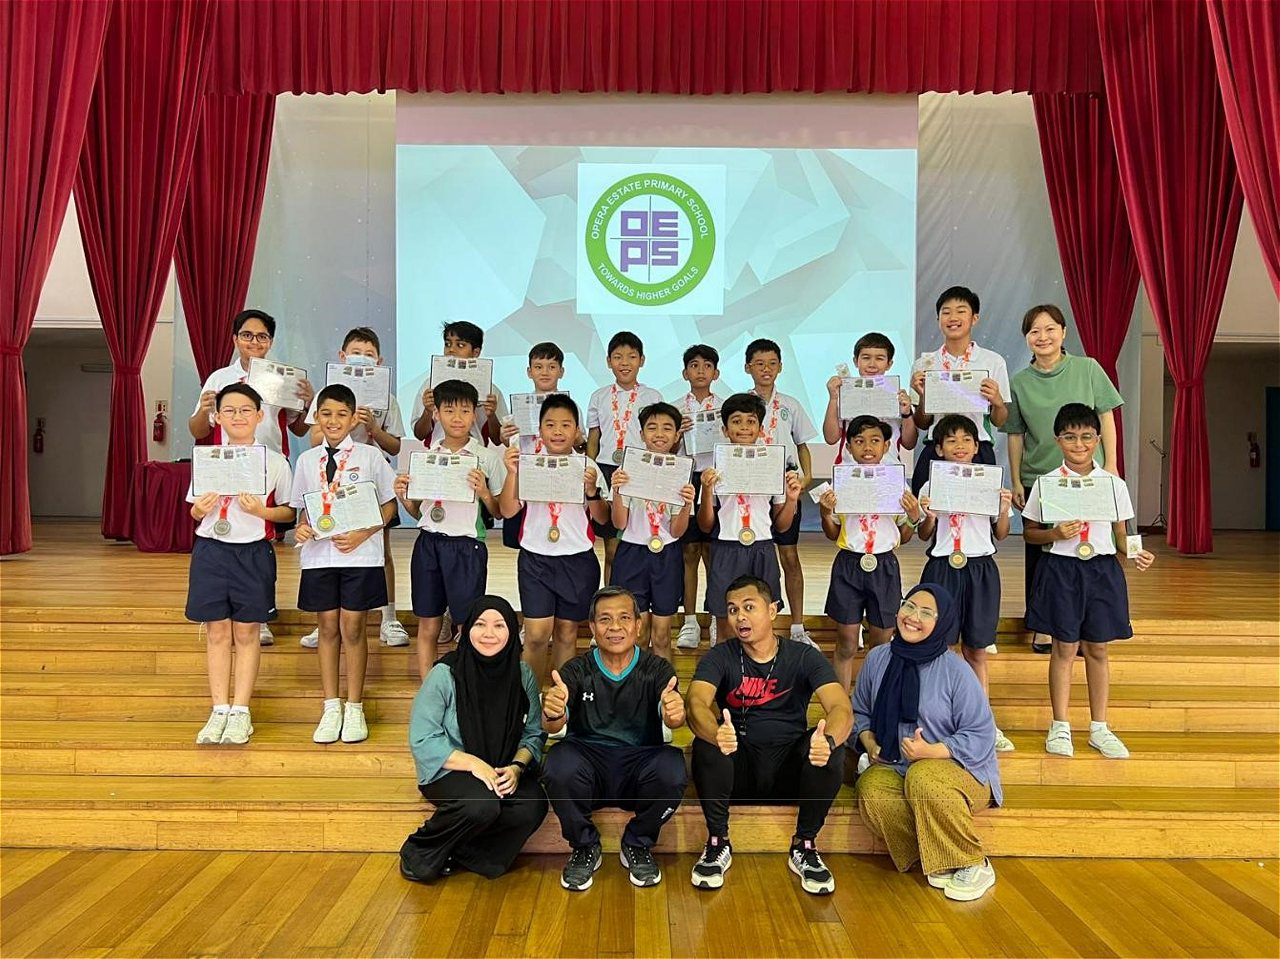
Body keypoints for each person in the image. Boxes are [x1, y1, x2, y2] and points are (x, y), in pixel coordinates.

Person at [686, 576, 851, 895]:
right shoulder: (720, 656)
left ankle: (805, 845)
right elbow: (695, 703)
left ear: (773, 610)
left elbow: (840, 707)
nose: (740, 617)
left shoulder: (803, 656)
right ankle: (717, 842)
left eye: (749, 607)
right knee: (707, 744)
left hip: (789, 771)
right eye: (732, 610)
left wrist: (828, 741)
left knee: (829, 748)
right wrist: (717, 734)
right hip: (739, 768)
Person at [1021, 403, 1155, 760]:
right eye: (1070, 437)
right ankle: (1060, 726)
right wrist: (1054, 533)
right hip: (1061, 570)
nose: (1078, 444)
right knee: (1064, 648)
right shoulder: (1047, 483)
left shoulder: (1113, 484)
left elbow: (1121, 534)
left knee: (1098, 648)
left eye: (1086, 436)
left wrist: (1136, 552)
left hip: (1101, 570)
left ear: (1097, 439)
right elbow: (1030, 533)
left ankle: (1099, 727)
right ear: (1057, 440)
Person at [853, 584, 1002, 902]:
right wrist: (869, 742)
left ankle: (973, 862)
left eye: (926, 613)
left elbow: (981, 734)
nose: (913, 617)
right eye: (909, 606)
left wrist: (932, 751)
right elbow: (860, 712)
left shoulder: (956, 670)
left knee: (923, 776)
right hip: (897, 766)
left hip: (963, 772)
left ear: (942, 622)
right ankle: (935, 857)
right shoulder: (878, 658)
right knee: (872, 789)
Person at [541, 587, 688, 890]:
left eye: (624, 618)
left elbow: (674, 718)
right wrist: (553, 710)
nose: (615, 627)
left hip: (639, 765)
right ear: (593, 627)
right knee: (557, 763)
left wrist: (674, 712)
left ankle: (637, 842)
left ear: (638, 625)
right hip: (588, 765)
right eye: (605, 619)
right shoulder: (577, 669)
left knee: (673, 767)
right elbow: (552, 725)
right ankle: (584, 846)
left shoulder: (656, 669)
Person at [1002, 305, 1124, 654]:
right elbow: (1015, 434)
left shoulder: (1088, 368)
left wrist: (1111, 464)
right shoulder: (1019, 382)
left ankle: (1090, 628)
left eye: (1050, 329)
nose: (1043, 337)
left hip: (1087, 477)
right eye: (1034, 331)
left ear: (1064, 332)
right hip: (1041, 477)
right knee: (1041, 554)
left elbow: (1106, 416)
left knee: (1090, 550)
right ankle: (1043, 627)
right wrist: (1017, 480)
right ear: (1027, 338)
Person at [401, 596, 548, 883]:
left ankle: (462, 853)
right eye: (480, 624)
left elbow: (533, 732)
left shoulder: (522, 675)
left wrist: (517, 768)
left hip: (501, 767)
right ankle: (419, 851)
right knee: (482, 803)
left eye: (499, 625)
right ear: (467, 629)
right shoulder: (444, 674)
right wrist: (473, 764)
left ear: (512, 632)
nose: (489, 633)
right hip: (450, 769)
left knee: (532, 805)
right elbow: (423, 738)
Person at [188, 308, 313, 645]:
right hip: (228, 464)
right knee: (230, 530)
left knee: (262, 538)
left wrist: (307, 404)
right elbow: (197, 430)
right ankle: (230, 613)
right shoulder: (219, 379)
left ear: (270, 341)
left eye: (262, 336)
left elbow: (299, 429)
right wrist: (205, 409)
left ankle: (258, 615)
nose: (254, 342)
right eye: (247, 335)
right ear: (235, 339)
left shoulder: (283, 378)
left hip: (269, 464)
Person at [185, 383, 295, 746]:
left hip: (253, 553)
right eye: (229, 410)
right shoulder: (207, 458)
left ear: (260, 416)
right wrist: (199, 510)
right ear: (217, 417)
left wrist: (262, 511)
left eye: (245, 410)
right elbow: (194, 511)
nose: (238, 416)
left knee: (247, 633)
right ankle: (219, 709)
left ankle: (241, 711)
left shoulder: (274, 462)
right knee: (216, 632)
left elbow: (289, 513)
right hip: (211, 551)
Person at [290, 384, 399, 744]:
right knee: (326, 627)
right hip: (319, 556)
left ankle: (354, 706)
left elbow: (389, 507)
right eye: (326, 414)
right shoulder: (307, 461)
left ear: (354, 419)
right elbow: (302, 510)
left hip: (361, 556)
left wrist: (362, 534)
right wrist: (302, 528)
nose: (333, 421)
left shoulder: (370, 456)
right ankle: (330, 705)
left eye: (341, 414)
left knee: (353, 627)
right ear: (316, 418)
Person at [299, 327, 407, 650]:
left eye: (369, 354)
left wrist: (372, 427)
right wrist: (346, 423)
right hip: (330, 480)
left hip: (370, 479)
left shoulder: (386, 398)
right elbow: (314, 439)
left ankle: (389, 618)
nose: (362, 358)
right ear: (342, 357)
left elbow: (395, 446)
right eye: (356, 352)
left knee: (380, 549)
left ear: (379, 361)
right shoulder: (327, 396)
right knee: (328, 543)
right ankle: (324, 622)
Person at [916, 414, 1015, 752]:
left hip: (980, 568)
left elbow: (1001, 533)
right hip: (942, 567)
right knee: (939, 649)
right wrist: (929, 516)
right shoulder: (930, 486)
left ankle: (983, 723)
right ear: (939, 449)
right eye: (951, 441)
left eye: (966, 440)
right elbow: (924, 535)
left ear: (976, 446)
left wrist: (1003, 509)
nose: (959, 446)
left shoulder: (989, 482)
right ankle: (938, 720)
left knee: (976, 650)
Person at [394, 380, 506, 678]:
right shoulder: (425, 457)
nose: (457, 418)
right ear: (436, 414)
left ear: (474, 414)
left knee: (467, 624)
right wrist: (404, 497)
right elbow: (419, 512)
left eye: (465, 411)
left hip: (467, 546)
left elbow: (499, 511)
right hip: (428, 544)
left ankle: (467, 685)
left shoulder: (486, 457)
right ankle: (429, 687)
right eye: (449, 410)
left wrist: (484, 492)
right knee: (428, 622)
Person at [498, 394, 610, 685]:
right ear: (539, 429)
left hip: (577, 559)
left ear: (577, 431)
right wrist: (512, 473)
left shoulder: (587, 466)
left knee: (567, 633)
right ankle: (530, 699)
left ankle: (562, 700)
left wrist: (592, 491)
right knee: (536, 635)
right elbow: (507, 510)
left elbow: (602, 518)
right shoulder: (528, 463)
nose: (557, 431)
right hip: (535, 559)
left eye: (565, 425)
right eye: (550, 425)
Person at [819, 416, 924, 692]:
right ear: (848, 447)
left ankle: (875, 700)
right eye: (859, 441)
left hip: (884, 565)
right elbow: (832, 533)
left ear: (886, 445)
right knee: (846, 641)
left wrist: (914, 517)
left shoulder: (897, 484)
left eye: (875, 440)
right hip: (849, 565)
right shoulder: (841, 483)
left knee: (881, 642)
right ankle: (841, 704)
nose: (867, 447)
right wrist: (825, 512)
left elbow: (904, 536)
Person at [697, 393, 803, 640]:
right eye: (736, 421)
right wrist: (706, 490)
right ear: (725, 430)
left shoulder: (772, 465)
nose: (744, 427)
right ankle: (726, 665)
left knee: (763, 622)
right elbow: (705, 525)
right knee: (726, 624)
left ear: (761, 428)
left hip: (762, 548)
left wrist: (791, 499)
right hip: (726, 548)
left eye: (751, 421)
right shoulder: (715, 469)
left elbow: (782, 525)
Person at [744, 338, 818, 647]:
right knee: (751, 557)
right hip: (752, 489)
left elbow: (802, 445)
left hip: (785, 486)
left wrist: (807, 476)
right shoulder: (741, 403)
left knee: (789, 555)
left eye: (772, 363)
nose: (766, 369)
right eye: (759, 364)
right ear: (747, 368)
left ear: (780, 367)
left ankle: (798, 626)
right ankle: (751, 622)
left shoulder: (791, 404)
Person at [608, 403, 696, 662]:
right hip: (632, 554)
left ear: (677, 435)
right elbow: (619, 523)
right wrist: (617, 492)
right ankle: (634, 684)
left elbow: (677, 531)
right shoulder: (627, 470)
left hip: (666, 555)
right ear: (642, 433)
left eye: (667, 428)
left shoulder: (681, 472)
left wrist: (686, 504)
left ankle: (663, 685)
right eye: (652, 427)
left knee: (662, 635)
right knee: (636, 633)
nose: (659, 434)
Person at [909, 286, 1010, 494]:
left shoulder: (993, 361)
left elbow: (999, 421)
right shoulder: (924, 364)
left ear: (974, 318)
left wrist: (998, 402)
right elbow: (922, 423)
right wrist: (924, 396)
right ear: (938, 319)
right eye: (946, 312)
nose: (953, 317)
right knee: (928, 508)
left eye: (961, 311)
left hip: (977, 449)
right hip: (937, 448)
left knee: (979, 509)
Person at [586, 332, 663, 585]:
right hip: (607, 470)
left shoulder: (652, 396)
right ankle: (609, 596)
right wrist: (590, 468)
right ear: (609, 361)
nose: (625, 362)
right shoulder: (599, 396)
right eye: (618, 357)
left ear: (642, 360)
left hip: (638, 471)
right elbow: (594, 437)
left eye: (631, 356)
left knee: (635, 539)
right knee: (611, 547)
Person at [498, 341, 574, 551]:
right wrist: (505, 436)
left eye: (552, 367)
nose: (545, 372)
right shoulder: (520, 406)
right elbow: (511, 442)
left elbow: (579, 443)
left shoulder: (570, 407)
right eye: (538, 367)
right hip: (526, 479)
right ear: (529, 372)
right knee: (524, 539)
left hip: (559, 476)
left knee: (557, 532)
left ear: (561, 371)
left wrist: (577, 438)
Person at [675, 344, 724, 651]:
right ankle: (690, 620)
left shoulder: (726, 408)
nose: (701, 371)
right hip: (686, 479)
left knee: (714, 554)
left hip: (717, 479)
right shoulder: (675, 408)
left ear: (716, 373)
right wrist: (677, 433)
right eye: (694, 365)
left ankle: (716, 616)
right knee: (689, 553)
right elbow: (665, 448)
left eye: (707, 365)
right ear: (685, 373)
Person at [822, 331, 919, 465]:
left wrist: (907, 414)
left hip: (889, 468)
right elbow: (831, 438)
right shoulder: (846, 395)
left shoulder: (897, 397)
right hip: (849, 468)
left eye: (879, 358)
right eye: (866, 358)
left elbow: (909, 444)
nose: (872, 364)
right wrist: (833, 399)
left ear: (889, 364)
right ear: (856, 361)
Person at [411, 320, 506, 446]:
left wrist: (491, 415)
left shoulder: (490, 390)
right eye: (447, 344)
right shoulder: (430, 386)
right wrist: (428, 411)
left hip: (477, 453)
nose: (451, 350)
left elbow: (498, 440)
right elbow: (419, 434)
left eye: (460, 345)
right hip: (438, 453)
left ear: (475, 352)